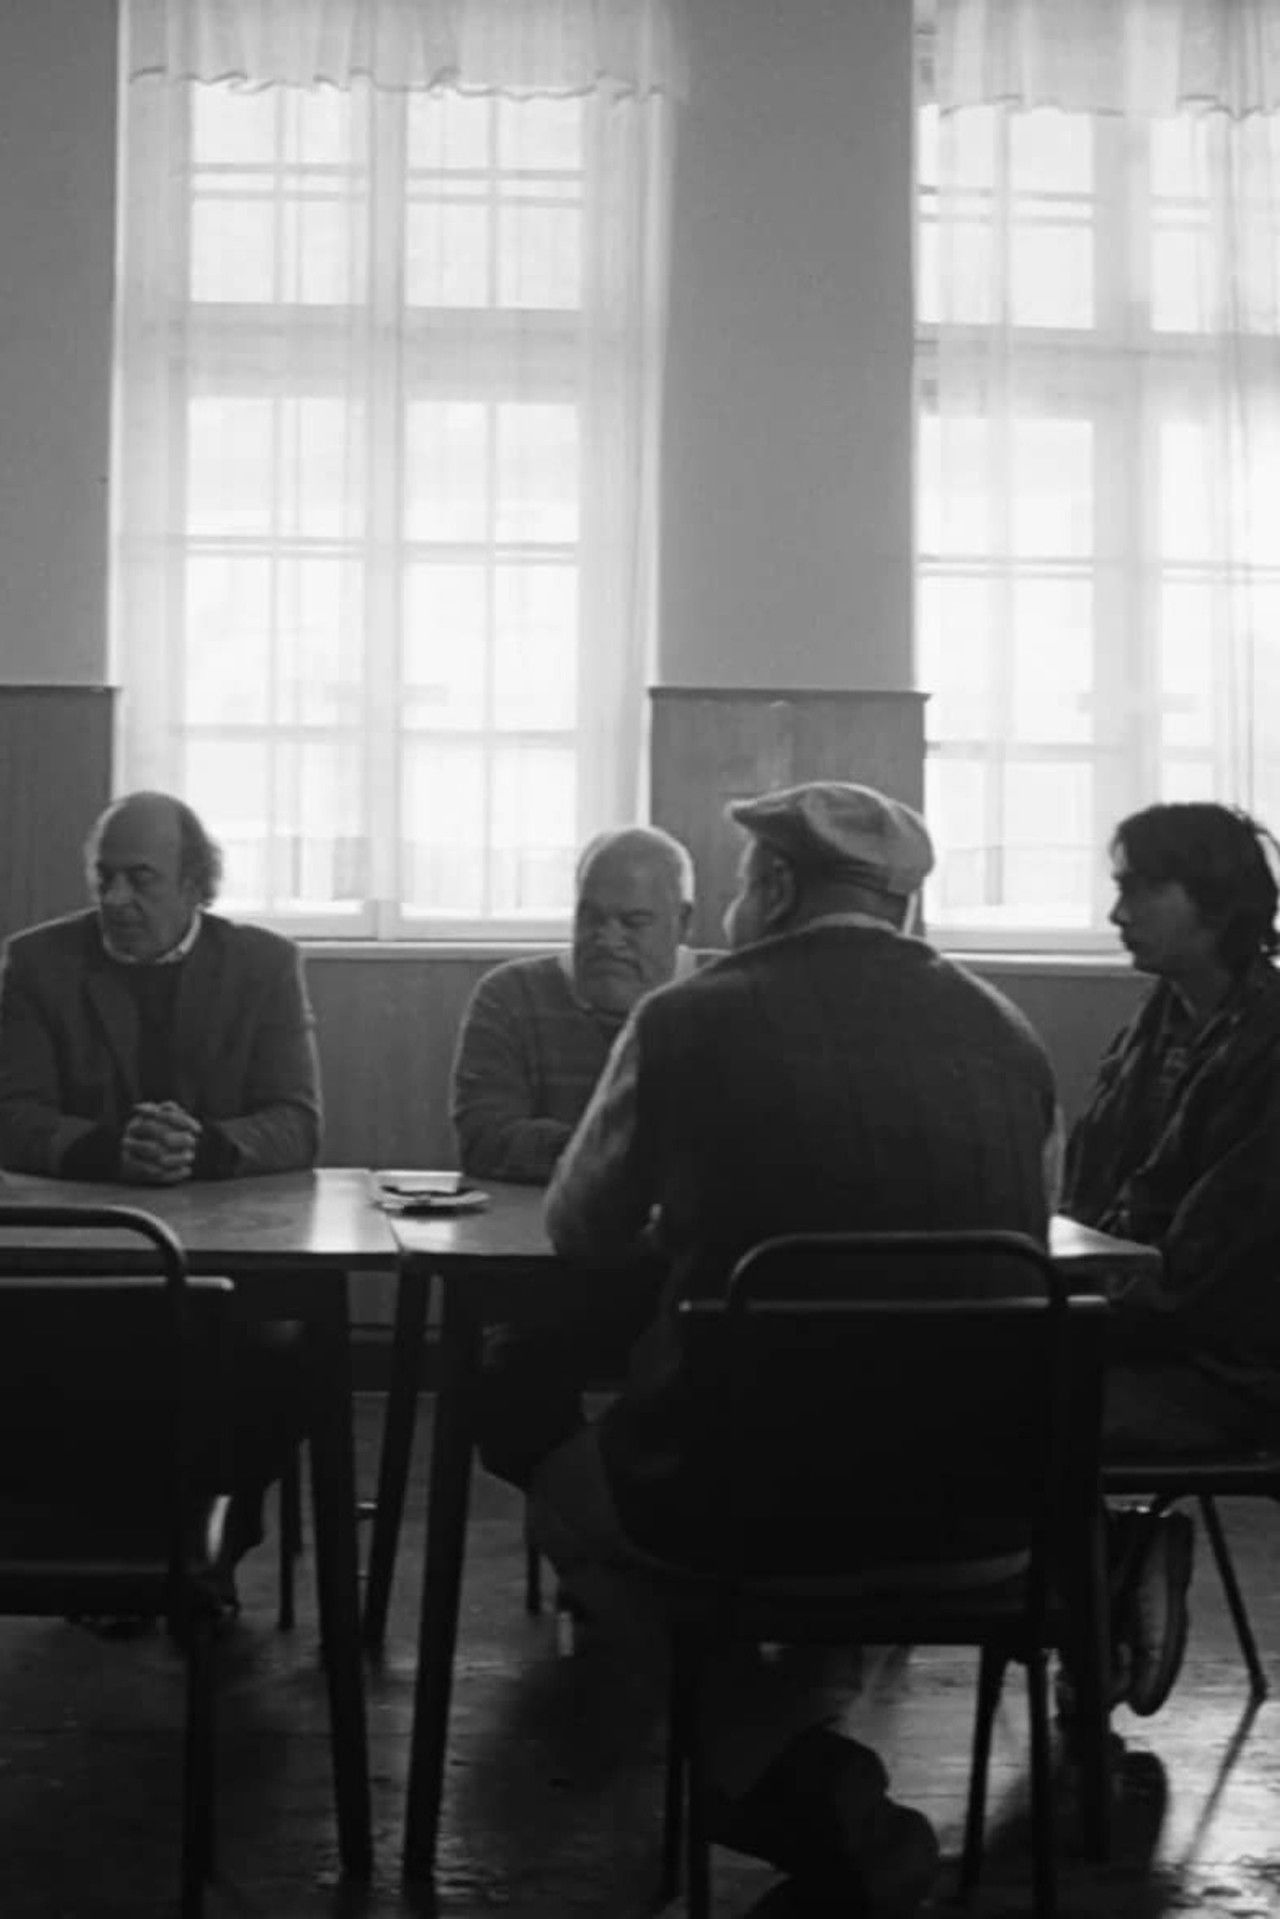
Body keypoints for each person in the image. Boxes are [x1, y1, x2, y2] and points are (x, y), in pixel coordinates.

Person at [535, 780, 1064, 1917]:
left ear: (771, 885)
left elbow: (579, 1229)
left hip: (750, 1510)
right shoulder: (1008, 1032)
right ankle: (798, 1743)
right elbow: (1025, 1244)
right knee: (837, 1523)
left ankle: (769, 1773)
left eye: (738, 879)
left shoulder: (685, 1018)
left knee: (569, 1494)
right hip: (983, 1514)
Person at [0, 790, 323, 1608]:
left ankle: (220, 1538)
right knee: (63, 1342)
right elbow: (11, 1115)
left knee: (275, 1352)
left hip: (234, 1244)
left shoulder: (263, 964)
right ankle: (112, 1548)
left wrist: (208, 1146)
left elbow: (297, 1119)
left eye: (140, 878)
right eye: (104, 877)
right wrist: (110, 1149)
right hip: (89, 1244)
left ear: (195, 885)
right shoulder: (38, 964)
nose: (115, 900)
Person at [1063, 799, 1280, 1715]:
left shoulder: (1272, 1045)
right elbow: (1093, 1190)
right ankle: (1105, 1574)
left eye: (1141, 888)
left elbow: (1209, 1256)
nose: (1119, 913)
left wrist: (1079, 1307)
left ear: (1219, 904)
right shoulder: (1157, 1024)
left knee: (997, 1404)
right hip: (1137, 1326)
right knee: (971, 1375)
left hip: (1230, 1362)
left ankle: (1096, 1597)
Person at [450, 825, 696, 1489]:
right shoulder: (512, 996)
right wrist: (629, 1152)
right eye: (590, 917)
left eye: (632, 921)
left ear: (683, 922)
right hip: (556, 1278)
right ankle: (592, 1517)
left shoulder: (724, 999)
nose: (605, 939)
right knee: (506, 1384)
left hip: (688, 1286)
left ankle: (631, 1534)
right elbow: (487, 1135)